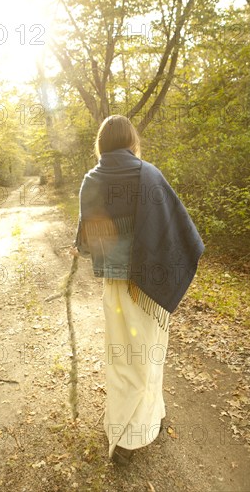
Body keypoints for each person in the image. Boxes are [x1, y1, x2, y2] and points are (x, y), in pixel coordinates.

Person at [72, 115, 204, 466]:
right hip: (152, 285)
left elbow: (87, 242)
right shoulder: (150, 175)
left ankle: (134, 427)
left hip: (117, 288)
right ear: (132, 141)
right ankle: (137, 433)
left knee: (122, 360)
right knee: (151, 355)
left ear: (101, 143)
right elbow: (176, 229)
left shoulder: (91, 182)